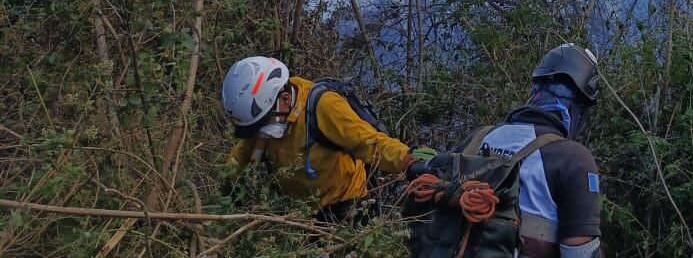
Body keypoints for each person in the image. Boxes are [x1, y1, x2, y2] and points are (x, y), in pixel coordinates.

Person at [409, 43, 604, 258]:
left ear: (535, 89)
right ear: (579, 106)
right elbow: (581, 253)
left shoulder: (480, 136)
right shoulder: (574, 158)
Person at [221, 56, 432, 223]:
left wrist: (408, 159)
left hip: (346, 206)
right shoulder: (265, 117)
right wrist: (226, 186)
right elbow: (242, 154)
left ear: (285, 99)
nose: (260, 131)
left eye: (263, 122)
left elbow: (370, 143)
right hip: (299, 211)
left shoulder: (323, 107)